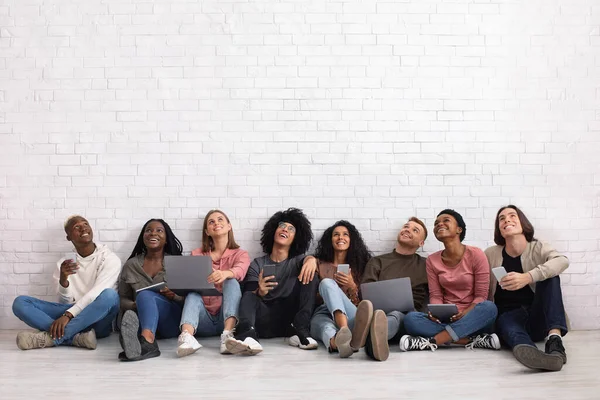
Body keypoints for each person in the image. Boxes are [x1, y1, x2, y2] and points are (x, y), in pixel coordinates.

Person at [12, 215, 121, 350]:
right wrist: (64, 281)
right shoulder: (64, 264)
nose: (83, 228)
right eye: (77, 227)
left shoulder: (110, 258)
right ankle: (75, 338)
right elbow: (65, 302)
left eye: (86, 224)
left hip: (97, 319)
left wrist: (68, 315)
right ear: (69, 237)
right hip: (72, 312)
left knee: (110, 296)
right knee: (20, 303)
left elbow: (96, 294)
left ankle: (49, 338)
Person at [401, 209, 500, 352]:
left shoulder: (476, 254)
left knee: (489, 308)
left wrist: (466, 312)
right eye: (436, 223)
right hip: (447, 318)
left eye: (446, 220)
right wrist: (435, 313)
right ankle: (470, 340)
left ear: (459, 229)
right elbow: (436, 295)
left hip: (473, 317)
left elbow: (481, 295)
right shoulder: (432, 260)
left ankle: (432, 341)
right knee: (411, 319)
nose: (439, 224)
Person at [485, 205, 569, 371]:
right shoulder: (490, 253)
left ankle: (555, 343)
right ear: (499, 230)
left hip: (537, 316)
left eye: (512, 216)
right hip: (508, 315)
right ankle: (532, 354)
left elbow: (562, 261)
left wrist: (528, 277)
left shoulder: (538, 247)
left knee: (550, 276)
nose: (507, 220)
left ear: (523, 223)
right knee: (510, 328)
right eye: (501, 219)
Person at [225, 208, 319, 355]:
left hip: (290, 320)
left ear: (296, 238)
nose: (285, 230)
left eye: (291, 229)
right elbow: (250, 295)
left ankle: (301, 332)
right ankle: (248, 335)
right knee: (250, 294)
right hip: (264, 321)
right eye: (282, 226)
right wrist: (260, 292)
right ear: (274, 230)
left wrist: (312, 260)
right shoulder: (257, 263)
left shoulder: (298, 261)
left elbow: (308, 261)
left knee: (311, 274)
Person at [176, 210, 250, 357]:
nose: (216, 223)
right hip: (203, 320)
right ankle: (187, 337)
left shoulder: (240, 254)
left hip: (227, 317)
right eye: (211, 222)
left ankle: (227, 336)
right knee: (193, 294)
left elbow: (240, 270)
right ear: (207, 231)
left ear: (229, 226)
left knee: (232, 281)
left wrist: (225, 273)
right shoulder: (197, 254)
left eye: (220, 219)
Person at [360, 217, 430, 361]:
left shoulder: (427, 265)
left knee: (397, 315)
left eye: (414, 230)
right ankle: (372, 337)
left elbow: (435, 294)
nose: (407, 230)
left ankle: (370, 337)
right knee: (372, 317)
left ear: (421, 243)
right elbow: (366, 294)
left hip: (409, 318)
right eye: (406, 226)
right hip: (376, 314)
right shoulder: (377, 261)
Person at [117, 218, 184, 361]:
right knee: (139, 304)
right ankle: (136, 343)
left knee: (145, 295)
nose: (153, 233)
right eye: (148, 230)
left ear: (166, 239)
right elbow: (122, 298)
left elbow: (189, 299)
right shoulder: (131, 265)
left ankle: (147, 343)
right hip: (141, 317)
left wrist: (174, 296)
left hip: (170, 321)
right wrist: (136, 305)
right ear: (143, 238)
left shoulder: (177, 263)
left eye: (159, 230)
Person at [308, 220, 373, 358]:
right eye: (336, 234)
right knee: (324, 327)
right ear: (330, 240)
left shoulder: (360, 267)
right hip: (323, 311)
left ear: (351, 240)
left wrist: (352, 286)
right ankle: (338, 344)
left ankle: (343, 329)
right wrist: (309, 259)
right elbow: (309, 296)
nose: (340, 237)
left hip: (350, 312)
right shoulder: (318, 263)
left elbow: (363, 303)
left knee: (326, 283)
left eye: (345, 234)